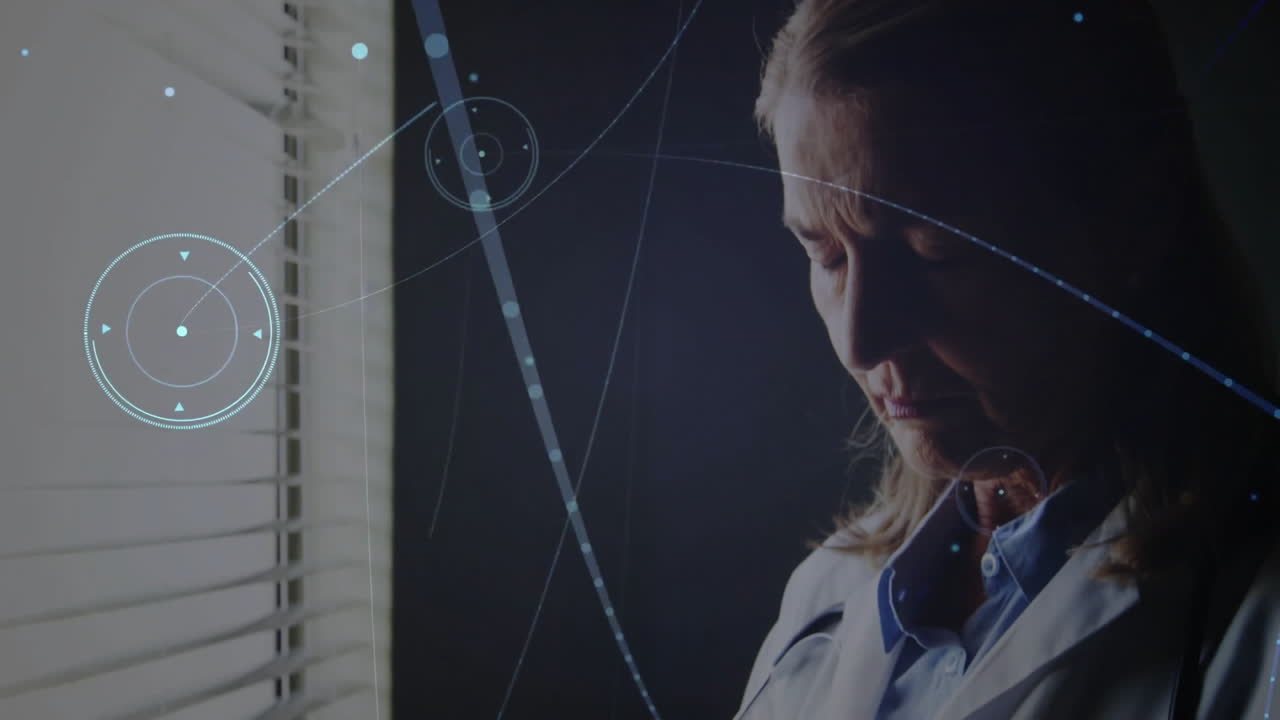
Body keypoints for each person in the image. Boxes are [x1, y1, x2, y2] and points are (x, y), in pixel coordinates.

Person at [738, 1, 1280, 718]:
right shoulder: (822, 601)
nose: (860, 341)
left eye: (932, 251)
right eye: (827, 256)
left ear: (1139, 216)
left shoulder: (1256, 622)